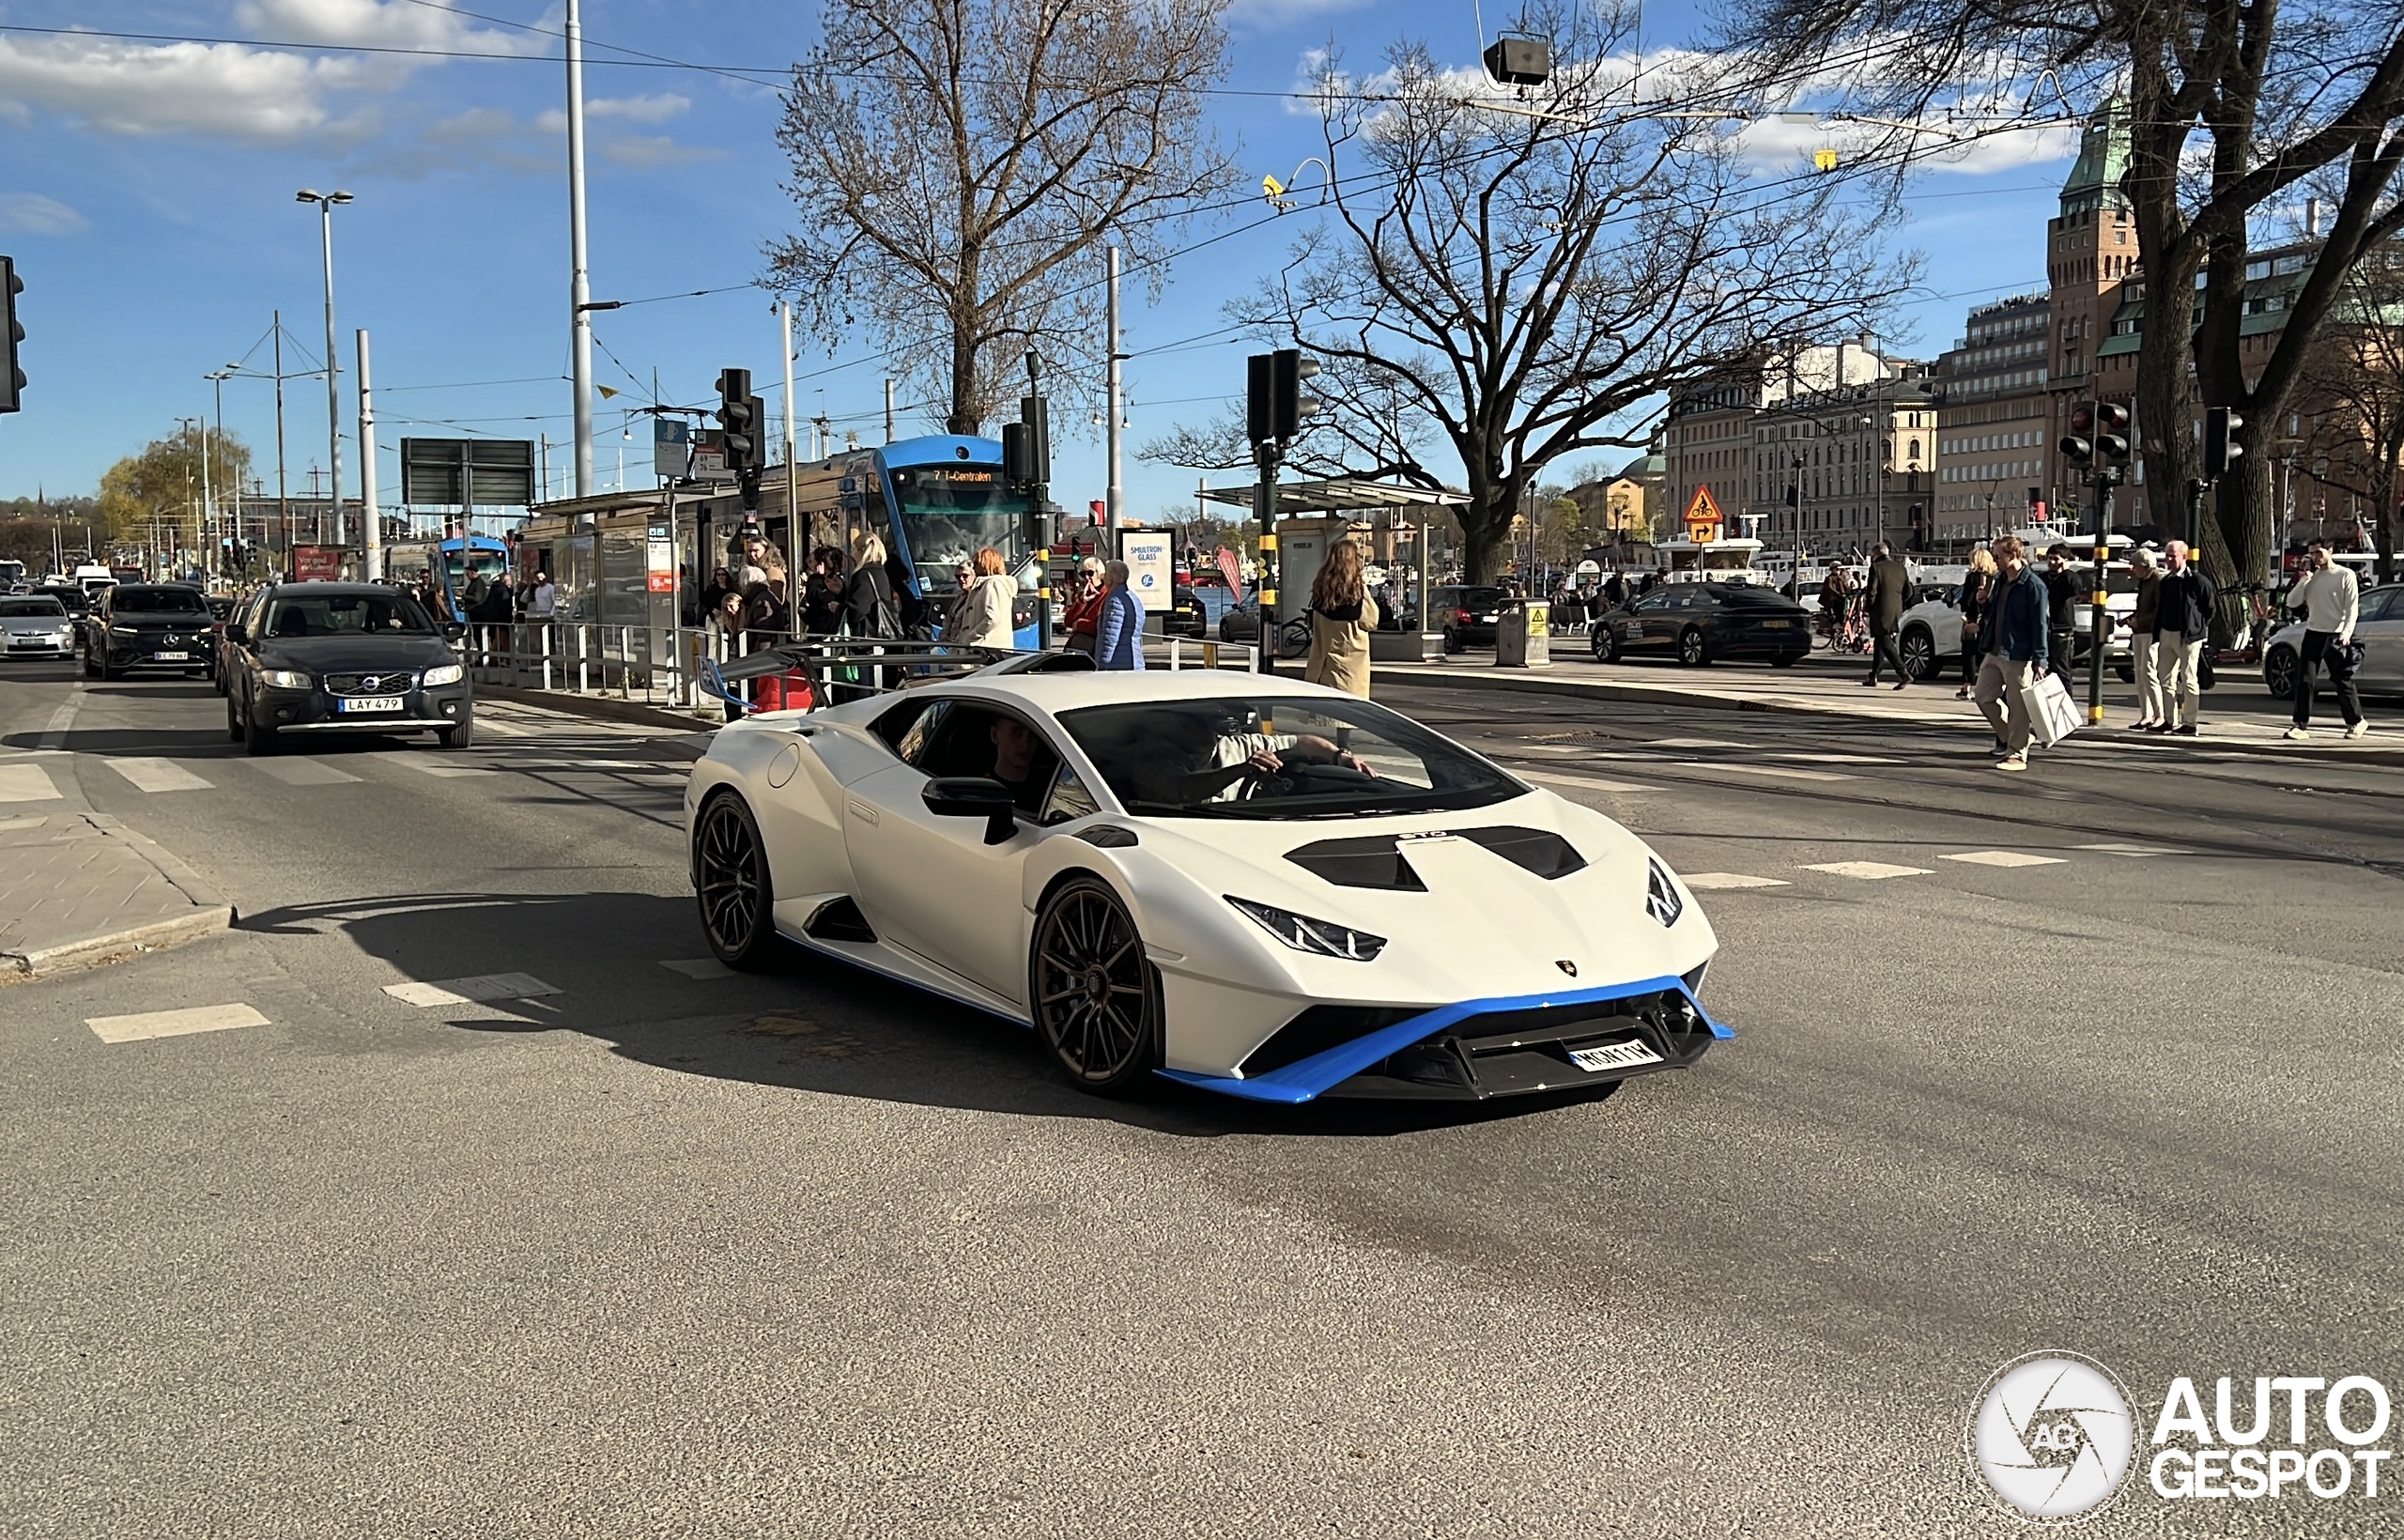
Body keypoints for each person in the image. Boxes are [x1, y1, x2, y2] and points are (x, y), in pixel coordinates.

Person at [1971, 533, 2049, 772]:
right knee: (1983, 697)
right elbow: (1995, 614)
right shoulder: (2001, 581)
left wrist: (2040, 657)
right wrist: (1983, 602)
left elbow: (2040, 624)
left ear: (2013, 555)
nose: (1995, 561)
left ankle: (2016, 754)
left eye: (1998, 556)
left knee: (2019, 707)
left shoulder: (2033, 586)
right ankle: (2017, 737)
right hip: (1995, 649)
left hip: (2018, 653)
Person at [2285, 538, 2365, 740]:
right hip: (2313, 633)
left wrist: (2347, 632)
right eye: (2311, 553)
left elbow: (2352, 607)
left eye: (2319, 552)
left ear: (2330, 551)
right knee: (2305, 679)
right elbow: (2291, 602)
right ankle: (2300, 725)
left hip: (2336, 634)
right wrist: (2304, 580)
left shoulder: (2345, 575)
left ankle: (2356, 721)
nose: (2315, 557)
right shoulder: (2311, 578)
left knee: (2341, 680)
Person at [2150, 540, 2216, 736]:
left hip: (2188, 637)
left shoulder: (2197, 581)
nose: (2169, 559)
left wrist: (2197, 627)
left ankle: (2190, 722)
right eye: (2167, 555)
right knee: (2165, 679)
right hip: (2167, 634)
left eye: (2173, 556)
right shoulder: (2166, 582)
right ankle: (2169, 720)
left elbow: (2209, 608)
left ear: (2184, 557)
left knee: (2188, 679)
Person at [1302, 538, 1379, 697]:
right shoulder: (1357, 592)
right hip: (1351, 671)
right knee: (1350, 710)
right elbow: (1371, 622)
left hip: (1323, 667)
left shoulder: (1320, 590)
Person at [1862, 542, 1912, 688]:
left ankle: (1903, 673)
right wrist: (1899, 603)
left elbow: (1872, 591)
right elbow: (1909, 592)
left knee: (1884, 640)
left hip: (1880, 609)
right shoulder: (1900, 568)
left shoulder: (1876, 568)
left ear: (1876, 554)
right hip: (1896, 609)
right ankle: (1874, 675)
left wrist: (1868, 609)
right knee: (1880, 641)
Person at [949, 546, 1017, 650]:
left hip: (985, 648)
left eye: (976, 563)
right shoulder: (986, 585)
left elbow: (992, 618)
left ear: (986, 564)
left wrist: (972, 636)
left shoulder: (992, 584)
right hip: (983, 647)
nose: (973, 567)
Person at [2124, 548, 2163, 730]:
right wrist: (2131, 619)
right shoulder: (2143, 581)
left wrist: (2140, 621)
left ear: (2145, 566)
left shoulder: (2157, 580)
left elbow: (2159, 610)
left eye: (2135, 566)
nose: (2133, 570)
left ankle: (2159, 715)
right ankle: (2146, 714)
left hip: (2150, 632)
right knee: (2139, 674)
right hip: (2139, 632)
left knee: (2149, 672)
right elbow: (2142, 607)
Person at [1955, 547, 1996, 701]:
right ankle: (1987, 686)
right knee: (1985, 655)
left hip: (1973, 619)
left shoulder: (1972, 578)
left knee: (1969, 654)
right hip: (1989, 620)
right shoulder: (1994, 578)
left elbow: (1966, 601)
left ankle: (1967, 687)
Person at [1094, 559, 1146, 670]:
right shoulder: (1134, 598)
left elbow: (1110, 637)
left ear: (1111, 578)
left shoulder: (1115, 601)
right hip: (1135, 660)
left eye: (1106, 574)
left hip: (1117, 663)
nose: (1103, 577)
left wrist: (1102, 665)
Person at [845, 532, 899, 640]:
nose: (852, 555)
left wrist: (837, 608)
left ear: (861, 551)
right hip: (883, 635)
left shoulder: (863, 575)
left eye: (854, 550)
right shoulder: (881, 572)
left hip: (866, 638)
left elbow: (857, 611)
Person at [2042, 545, 2080, 683]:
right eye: (2050, 558)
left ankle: (2067, 695)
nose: (2052, 562)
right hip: (2045, 626)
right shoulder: (2043, 578)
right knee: (2045, 668)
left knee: (2061, 668)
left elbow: (2076, 589)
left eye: (2056, 559)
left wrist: (2065, 571)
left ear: (2064, 560)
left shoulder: (2069, 578)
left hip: (2062, 629)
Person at [1061, 557, 1106, 654]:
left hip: (1093, 648)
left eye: (1090, 573)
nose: (1086, 577)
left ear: (1099, 573)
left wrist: (1079, 624)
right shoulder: (1083, 594)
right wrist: (1082, 601)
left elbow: (1101, 625)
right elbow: (1068, 621)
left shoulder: (1106, 594)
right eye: (1083, 574)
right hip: (1077, 646)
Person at [803, 548, 846, 636]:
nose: (811, 565)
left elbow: (818, 600)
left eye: (812, 562)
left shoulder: (836, 580)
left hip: (824, 627)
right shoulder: (816, 580)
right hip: (828, 627)